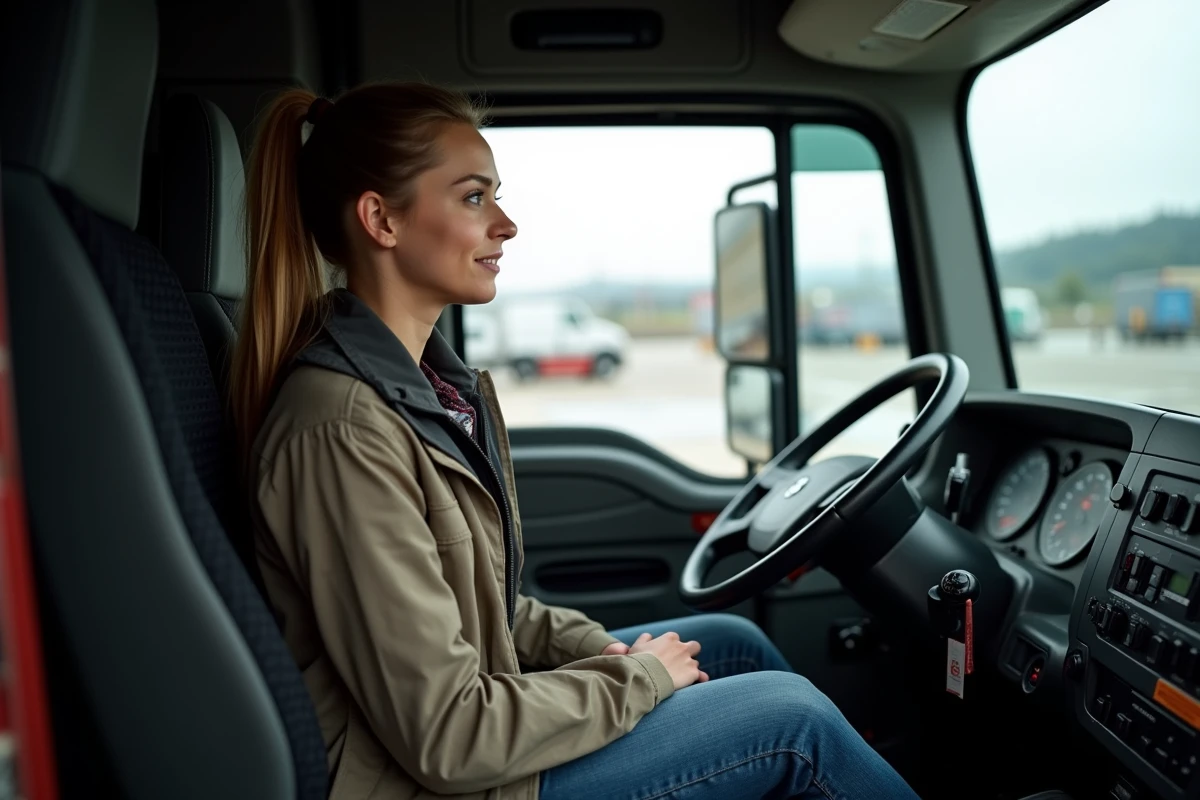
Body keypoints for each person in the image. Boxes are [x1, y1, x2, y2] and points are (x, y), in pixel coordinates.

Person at [232, 81, 921, 800]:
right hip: (437, 784)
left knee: (733, 644)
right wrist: (639, 677)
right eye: (474, 197)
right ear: (382, 219)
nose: (506, 224)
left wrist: (606, 652)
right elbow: (447, 734)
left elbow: (489, 610)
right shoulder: (342, 429)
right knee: (793, 723)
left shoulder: (432, 392)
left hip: (477, 743)